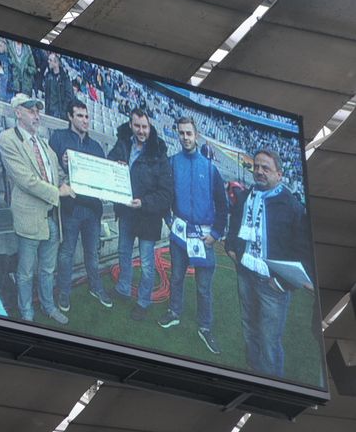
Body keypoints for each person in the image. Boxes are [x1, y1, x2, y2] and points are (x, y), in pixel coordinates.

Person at [225, 149, 313, 377]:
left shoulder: (292, 206)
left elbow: (303, 251)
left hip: (272, 285)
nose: (259, 172)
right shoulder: (246, 195)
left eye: (266, 168)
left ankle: (273, 385)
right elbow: (234, 223)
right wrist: (231, 248)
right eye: (257, 167)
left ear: (280, 175)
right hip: (245, 274)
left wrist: (283, 283)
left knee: (269, 338)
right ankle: (253, 372)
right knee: (248, 326)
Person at [0, 93, 75, 324]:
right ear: (18, 112)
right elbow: (25, 179)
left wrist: (72, 173)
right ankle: (27, 313)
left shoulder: (44, 145)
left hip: (52, 217)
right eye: (31, 110)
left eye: (38, 111)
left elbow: (58, 176)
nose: (36, 115)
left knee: (48, 270)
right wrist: (57, 192)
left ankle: (48, 306)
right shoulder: (7, 139)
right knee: (25, 272)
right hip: (30, 217)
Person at [158, 117, 227, 355]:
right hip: (179, 237)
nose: (185, 137)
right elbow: (164, 195)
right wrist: (169, 220)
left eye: (189, 133)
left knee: (204, 287)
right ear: (177, 135)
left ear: (196, 135)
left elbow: (223, 205)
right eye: (181, 133)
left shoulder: (210, 168)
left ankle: (205, 327)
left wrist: (216, 233)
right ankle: (174, 312)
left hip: (204, 239)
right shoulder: (172, 163)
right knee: (176, 277)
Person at [108, 109, 172, 320]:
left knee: (146, 262)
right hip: (126, 212)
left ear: (150, 127)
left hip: (148, 217)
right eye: (137, 126)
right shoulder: (123, 144)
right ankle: (123, 288)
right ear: (131, 125)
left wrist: (143, 203)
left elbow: (165, 193)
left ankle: (143, 301)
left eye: (145, 127)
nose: (141, 131)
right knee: (123, 253)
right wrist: (114, 165)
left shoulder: (159, 153)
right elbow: (109, 166)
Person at [49, 99, 112, 312]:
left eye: (87, 116)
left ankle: (96, 287)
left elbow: (103, 178)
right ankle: (64, 293)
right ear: (70, 116)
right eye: (80, 116)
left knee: (92, 253)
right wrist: (62, 162)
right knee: (66, 252)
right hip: (70, 207)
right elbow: (49, 168)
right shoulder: (58, 138)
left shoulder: (95, 146)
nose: (85, 120)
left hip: (92, 209)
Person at [44, 52, 74, 120]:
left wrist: (63, 111)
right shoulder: (48, 76)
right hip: (50, 111)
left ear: (56, 63)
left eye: (50, 60)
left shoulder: (65, 78)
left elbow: (69, 96)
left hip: (60, 113)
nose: (48, 62)